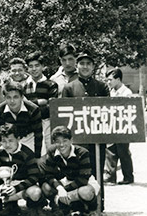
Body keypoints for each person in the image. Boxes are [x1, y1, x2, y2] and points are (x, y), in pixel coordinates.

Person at [62, 50, 109, 210]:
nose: (85, 66)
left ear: (93, 66)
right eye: (82, 63)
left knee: (97, 173)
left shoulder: (102, 87)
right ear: (77, 65)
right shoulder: (69, 88)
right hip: (77, 141)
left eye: (88, 63)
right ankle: (78, 207)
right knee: (77, 174)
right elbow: (63, 115)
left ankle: (98, 205)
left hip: (97, 139)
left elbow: (107, 112)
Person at [0, 124, 44, 216]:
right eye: (4, 141)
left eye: (11, 141)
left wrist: (16, 188)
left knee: (35, 192)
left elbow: (34, 176)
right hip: (4, 185)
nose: (7, 145)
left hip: (21, 187)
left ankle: (34, 209)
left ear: (18, 138)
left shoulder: (27, 153)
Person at [41, 126, 100, 215]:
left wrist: (63, 191)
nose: (61, 145)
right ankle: (60, 207)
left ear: (71, 140)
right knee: (46, 187)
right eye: (58, 142)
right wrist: (59, 188)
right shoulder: (51, 151)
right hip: (66, 181)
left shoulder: (82, 153)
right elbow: (49, 175)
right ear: (54, 142)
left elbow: (83, 179)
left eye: (65, 141)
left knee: (86, 192)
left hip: (83, 183)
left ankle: (91, 209)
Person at [0, 80, 43, 158]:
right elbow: (2, 135)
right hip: (11, 140)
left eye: (16, 97)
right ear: (4, 97)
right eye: (8, 97)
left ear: (22, 97)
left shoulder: (33, 109)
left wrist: (37, 156)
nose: (12, 101)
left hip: (29, 139)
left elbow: (38, 135)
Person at [24, 51, 58, 154]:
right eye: (31, 66)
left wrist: (30, 104)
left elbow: (51, 108)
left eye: (37, 66)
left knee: (49, 152)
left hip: (47, 124)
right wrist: (39, 102)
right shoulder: (24, 86)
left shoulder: (51, 85)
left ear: (42, 66)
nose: (34, 69)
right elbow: (23, 107)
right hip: (30, 126)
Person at [104, 68, 134, 185]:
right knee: (111, 151)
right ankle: (111, 177)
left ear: (118, 79)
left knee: (123, 151)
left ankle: (128, 177)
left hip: (122, 126)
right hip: (112, 125)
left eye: (110, 80)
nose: (108, 82)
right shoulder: (110, 92)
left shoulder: (127, 93)